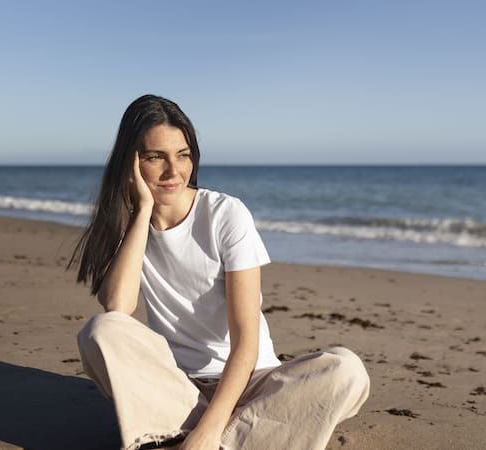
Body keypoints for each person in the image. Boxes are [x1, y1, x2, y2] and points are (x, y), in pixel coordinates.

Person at [70, 94, 370, 450]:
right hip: (179, 387)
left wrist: (209, 430)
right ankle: (253, 435)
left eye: (183, 155)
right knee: (99, 332)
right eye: (155, 157)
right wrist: (143, 210)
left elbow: (245, 342)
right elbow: (118, 305)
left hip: (252, 382)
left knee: (346, 371)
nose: (173, 171)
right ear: (131, 162)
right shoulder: (131, 224)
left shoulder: (226, 215)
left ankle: (194, 437)